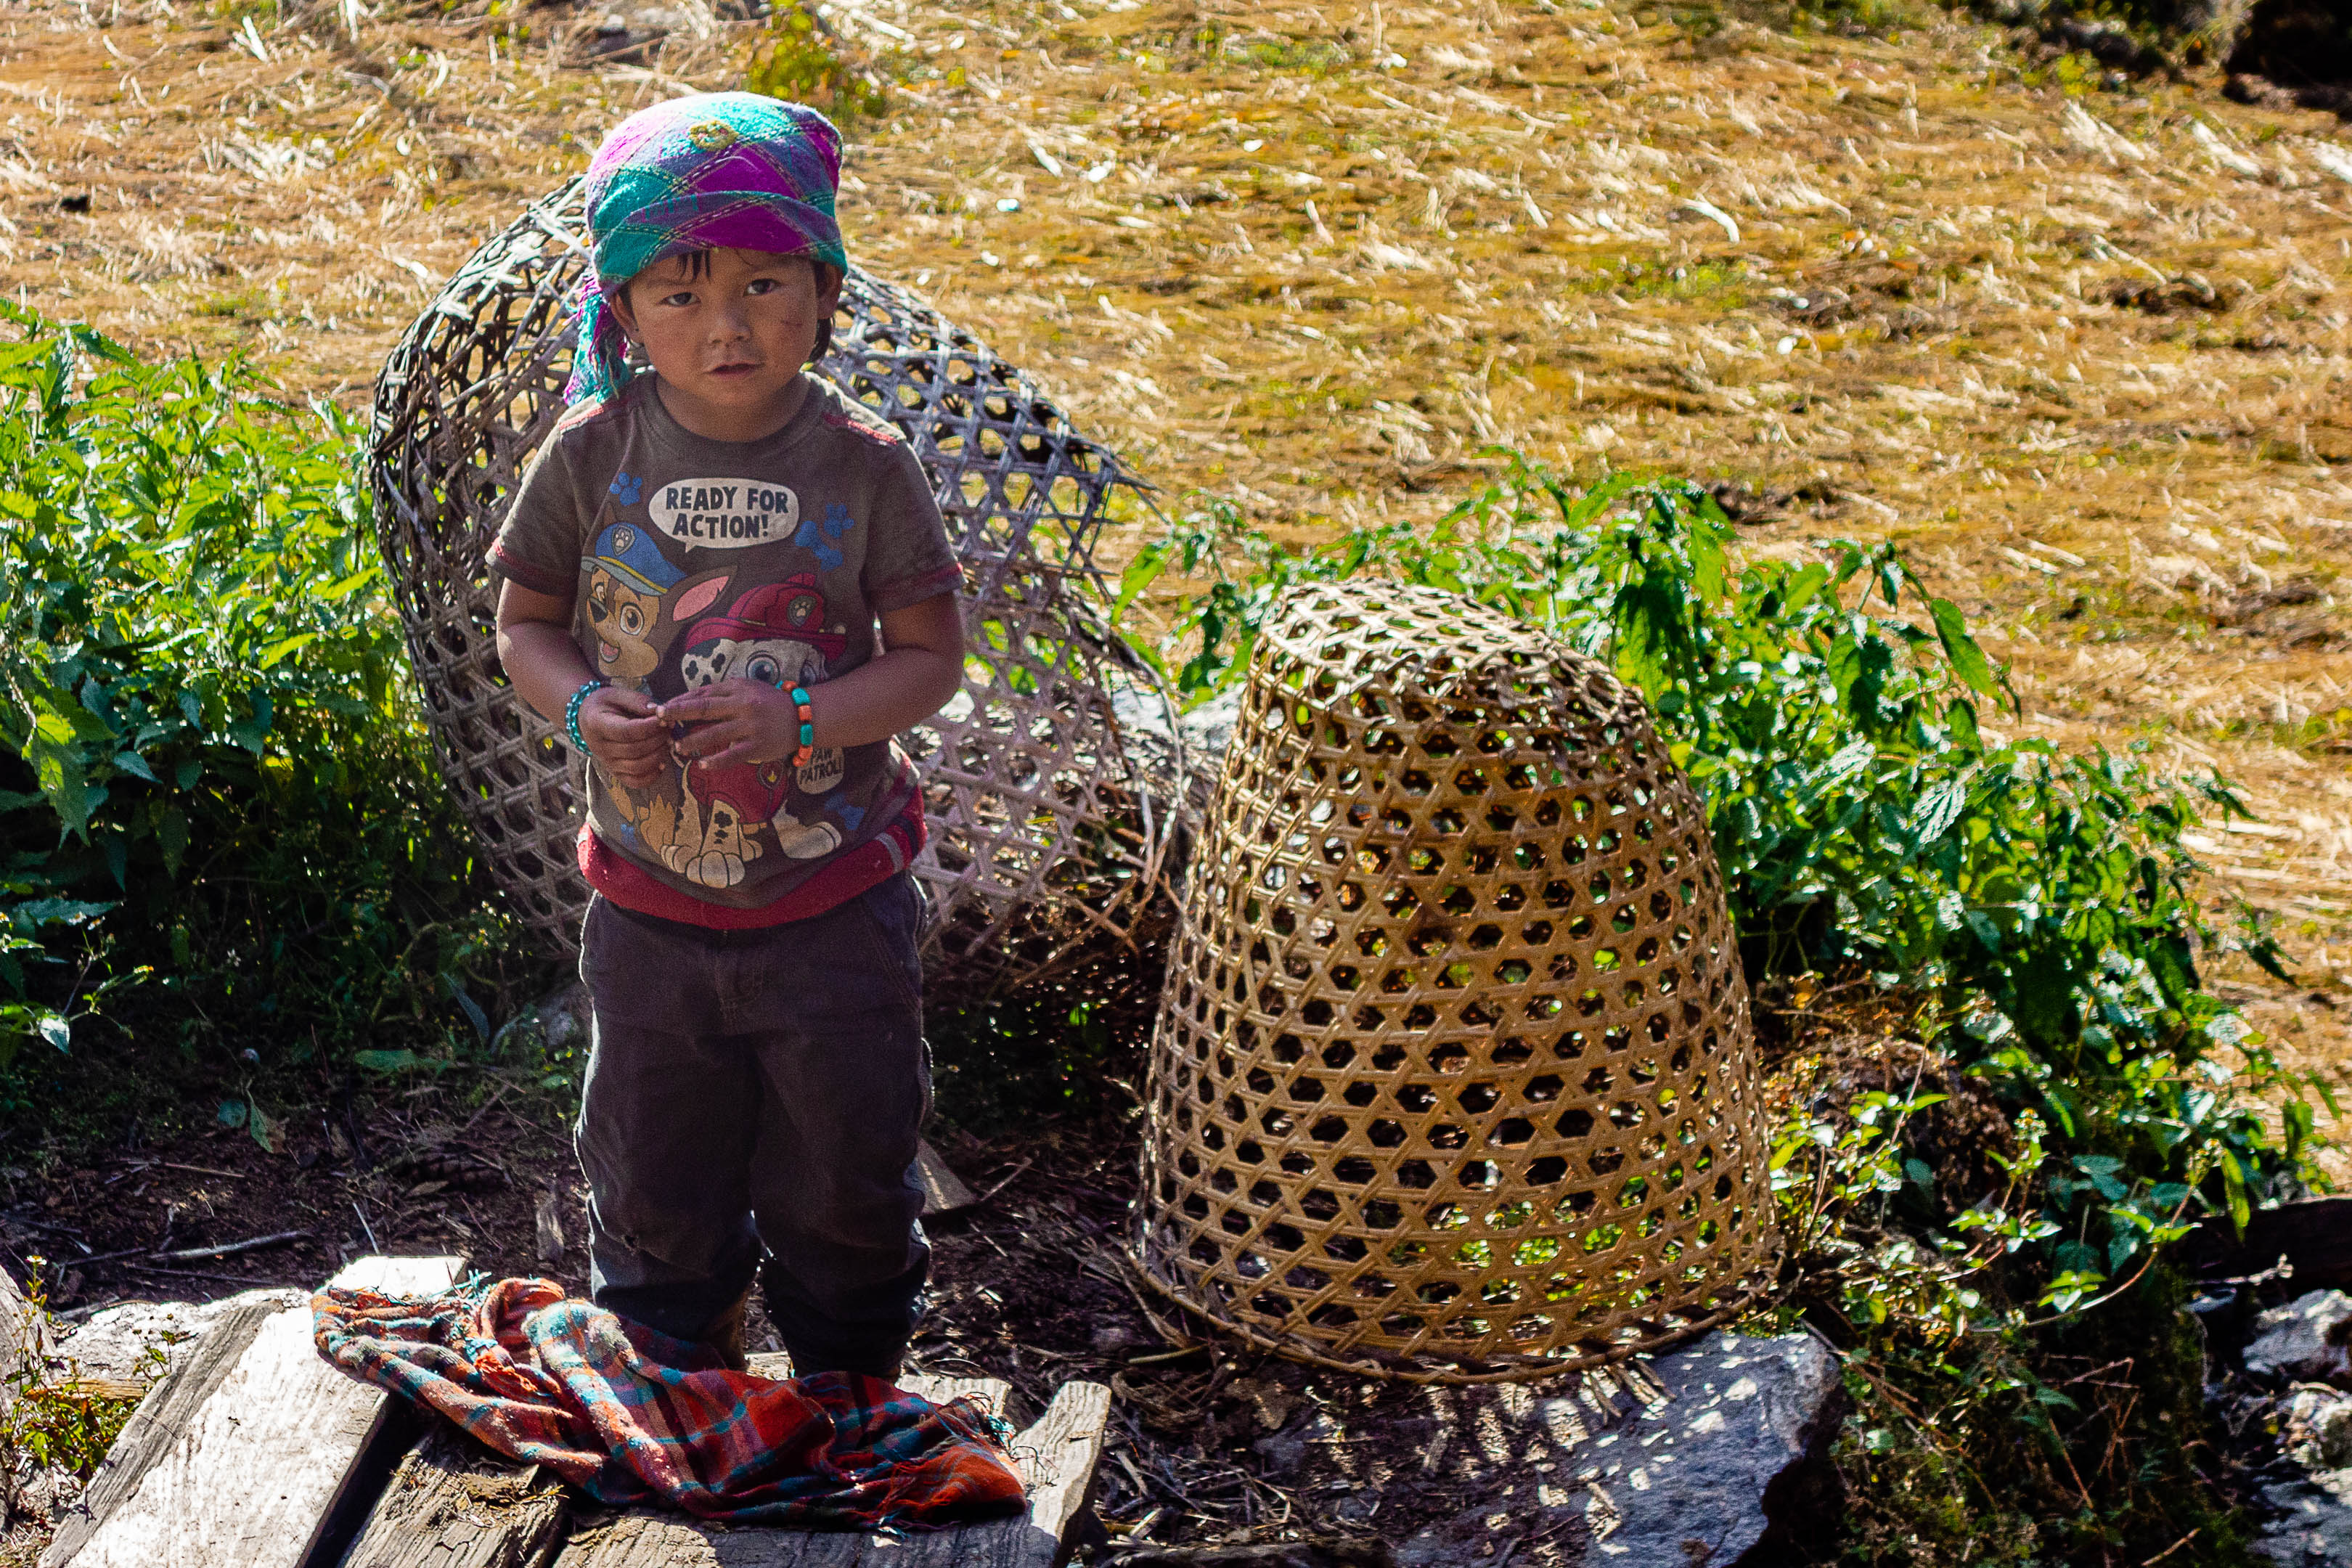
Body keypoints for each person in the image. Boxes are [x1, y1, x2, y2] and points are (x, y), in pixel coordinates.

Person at [486, 92, 964, 1381]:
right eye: (682, 293)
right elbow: (524, 622)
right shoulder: (593, 454)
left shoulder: (866, 468)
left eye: (765, 283)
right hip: (645, 905)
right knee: (653, 1177)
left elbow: (930, 660)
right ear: (624, 312)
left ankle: (850, 1392)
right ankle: (679, 1388)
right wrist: (587, 705)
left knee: (848, 1178)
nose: (728, 324)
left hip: (832, 906)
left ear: (824, 290)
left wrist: (797, 713)